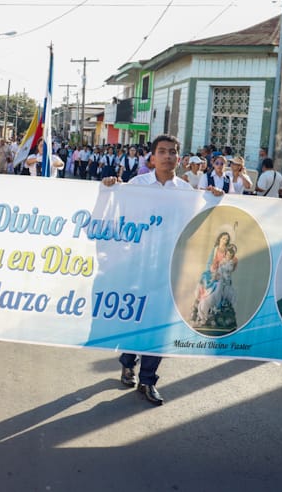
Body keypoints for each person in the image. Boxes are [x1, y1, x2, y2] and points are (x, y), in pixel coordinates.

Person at [102, 134, 212, 406]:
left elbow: (199, 220)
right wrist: (109, 187)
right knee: (137, 319)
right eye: (162, 151)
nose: (167, 156)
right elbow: (117, 209)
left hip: (170, 267)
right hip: (138, 265)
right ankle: (128, 361)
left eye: (173, 152)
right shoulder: (137, 185)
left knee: (159, 325)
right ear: (152, 157)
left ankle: (148, 380)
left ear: (179, 157)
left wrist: (215, 199)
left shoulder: (186, 192)